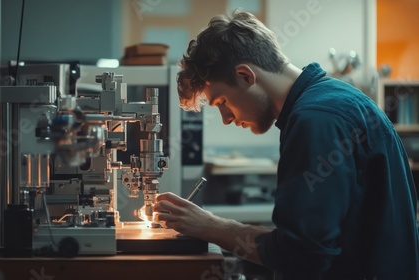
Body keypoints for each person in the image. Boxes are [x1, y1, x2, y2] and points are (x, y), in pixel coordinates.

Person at [153, 10, 419, 280]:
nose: (226, 119)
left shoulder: (317, 119)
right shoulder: (330, 100)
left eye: (221, 102)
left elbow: (301, 256)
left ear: (246, 76)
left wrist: (210, 226)